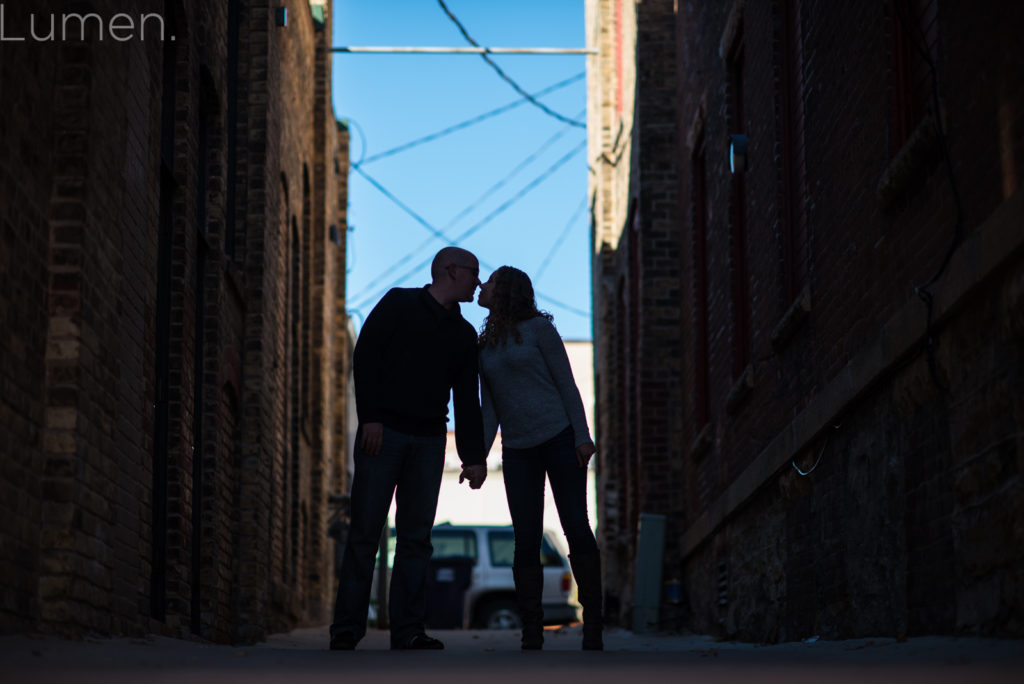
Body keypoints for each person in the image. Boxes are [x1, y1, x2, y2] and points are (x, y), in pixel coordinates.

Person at [330, 247, 488, 651]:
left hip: (430, 441)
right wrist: (371, 418)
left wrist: (473, 458)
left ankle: (408, 631)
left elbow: (468, 399)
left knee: (417, 538)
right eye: (474, 272)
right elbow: (365, 358)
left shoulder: (464, 335)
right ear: (450, 271)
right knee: (365, 531)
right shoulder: (398, 304)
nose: (479, 281)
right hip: (382, 435)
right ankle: (347, 629)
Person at [473, 265, 603, 651]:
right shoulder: (485, 347)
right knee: (525, 537)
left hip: (560, 438)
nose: (483, 284)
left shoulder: (539, 331)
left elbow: (567, 384)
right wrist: (478, 457)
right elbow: (489, 410)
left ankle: (593, 623)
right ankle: (532, 629)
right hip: (517, 449)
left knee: (576, 527)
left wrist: (582, 436)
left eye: (491, 280)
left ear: (507, 290)